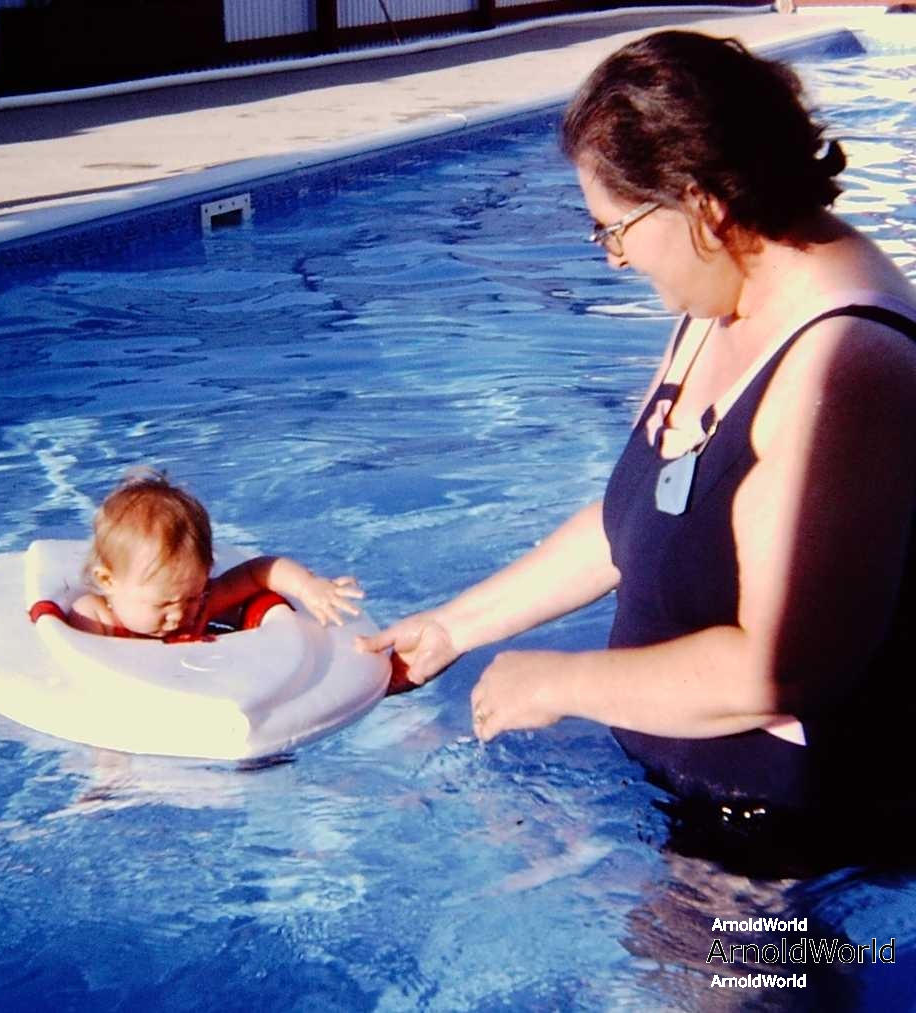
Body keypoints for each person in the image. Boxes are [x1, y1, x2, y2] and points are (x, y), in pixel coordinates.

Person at [360, 31, 916, 867]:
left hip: (778, 847)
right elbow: (641, 515)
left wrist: (559, 682)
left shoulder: (846, 365)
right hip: (683, 796)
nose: (614, 259)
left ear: (699, 205)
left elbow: (778, 671)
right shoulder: (724, 296)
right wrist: (450, 627)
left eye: (613, 230)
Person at [68, 468, 363, 640]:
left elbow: (259, 571)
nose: (179, 614)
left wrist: (307, 586)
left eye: (191, 597)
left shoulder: (201, 608)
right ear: (108, 581)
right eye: (164, 603)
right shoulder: (94, 619)